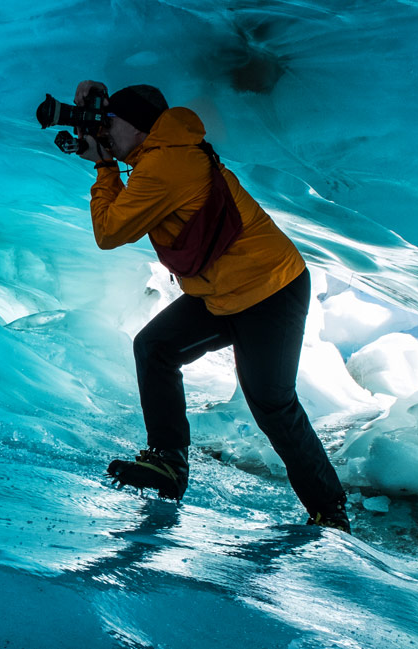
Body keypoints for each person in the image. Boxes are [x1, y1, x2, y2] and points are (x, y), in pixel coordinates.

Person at [74, 80, 350, 533]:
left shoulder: (166, 164)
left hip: (269, 290)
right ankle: (168, 464)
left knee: (271, 402)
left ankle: (331, 511)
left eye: (111, 124)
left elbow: (110, 232)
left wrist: (104, 170)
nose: (105, 132)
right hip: (221, 294)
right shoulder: (160, 154)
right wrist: (102, 129)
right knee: (155, 347)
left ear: (140, 128)